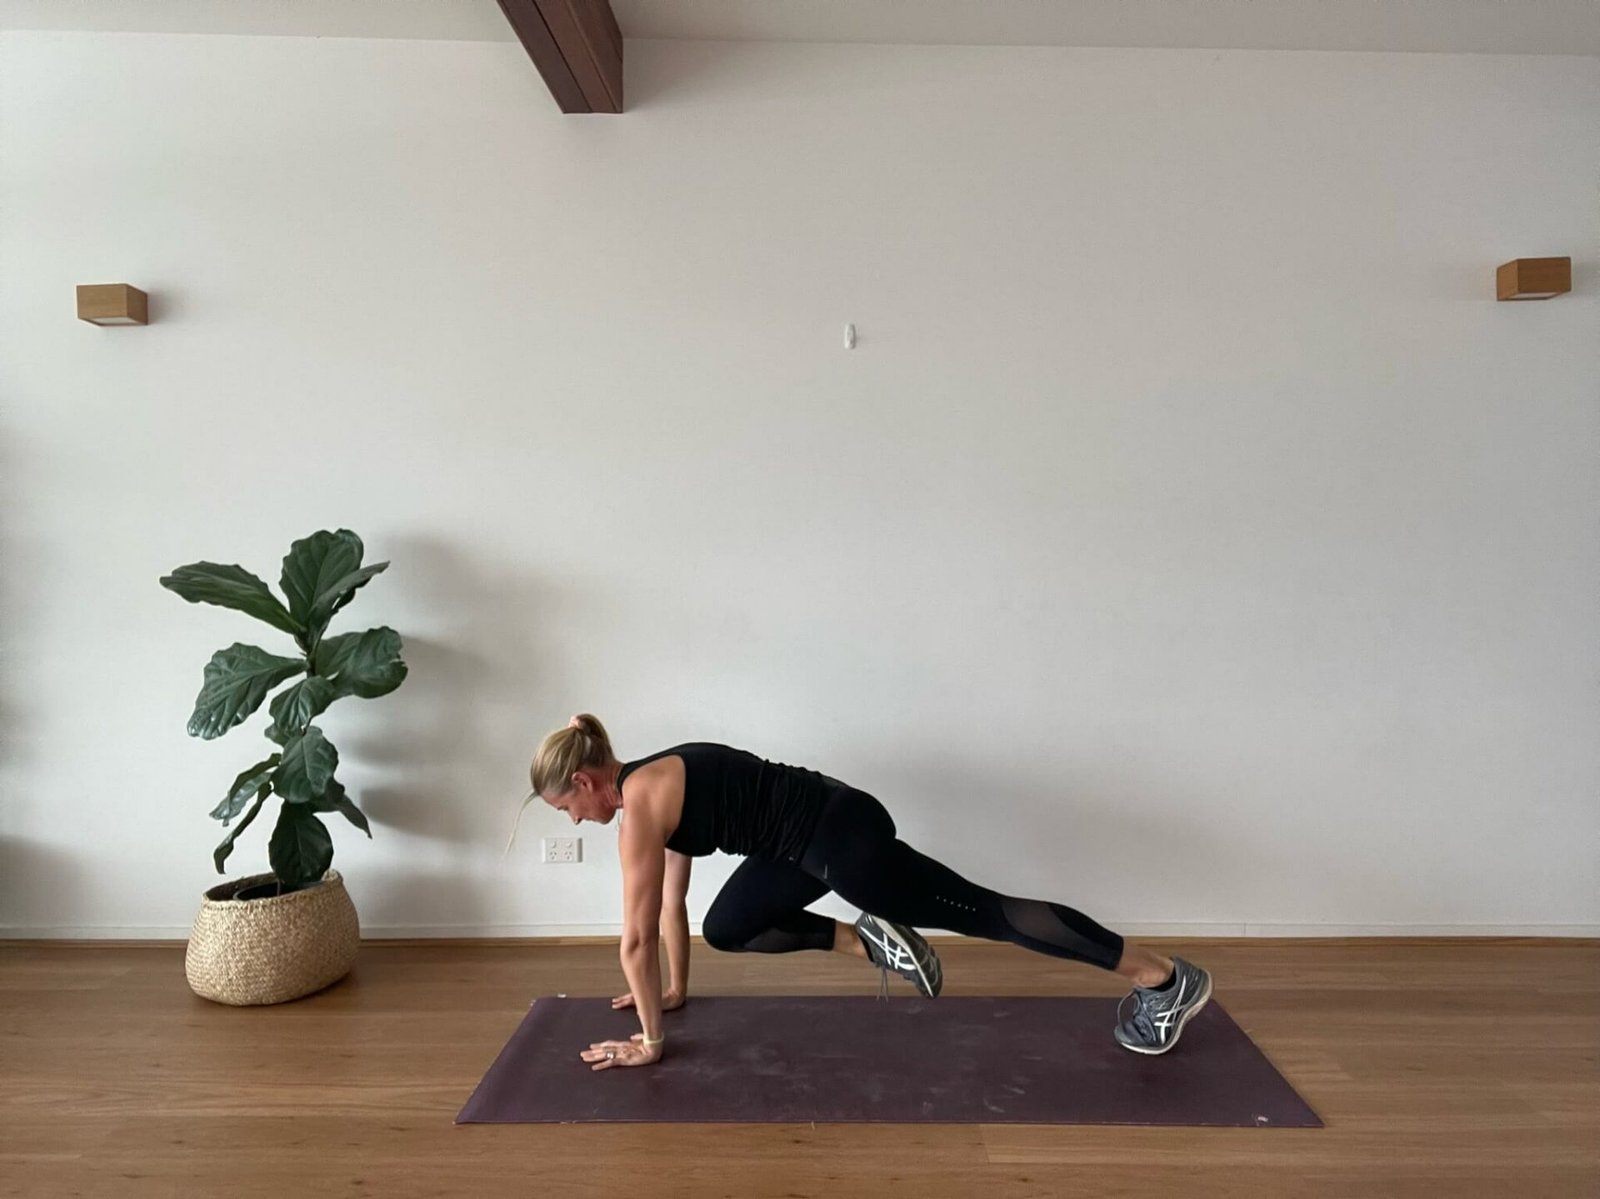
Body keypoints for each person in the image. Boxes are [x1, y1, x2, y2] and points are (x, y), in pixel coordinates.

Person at [512, 714, 1213, 1072]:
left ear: (585, 782)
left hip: (839, 839)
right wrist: (668, 995)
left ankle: (1165, 979)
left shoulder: (641, 805)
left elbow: (631, 938)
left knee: (988, 911)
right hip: (813, 836)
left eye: (566, 808)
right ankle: (869, 938)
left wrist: (649, 1042)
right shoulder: (651, 784)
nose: (574, 819)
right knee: (731, 924)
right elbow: (671, 907)